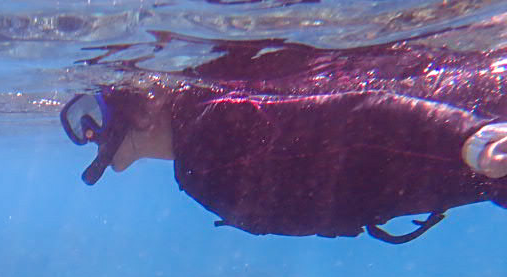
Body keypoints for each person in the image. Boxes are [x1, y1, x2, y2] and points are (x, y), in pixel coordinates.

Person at [61, 41, 507, 243]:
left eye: (96, 115)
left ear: (146, 104)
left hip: (483, 146)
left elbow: (365, 113)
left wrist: (471, 139)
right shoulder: (201, 148)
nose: (91, 136)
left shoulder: (212, 132)